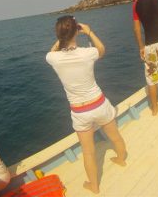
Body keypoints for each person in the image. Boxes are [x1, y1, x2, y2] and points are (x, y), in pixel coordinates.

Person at [46, 16, 127, 195]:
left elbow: (53, 50)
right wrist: (89, 31)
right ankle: (121, 159)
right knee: (115, 137)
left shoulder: (53, 58)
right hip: (99, 104)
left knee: (88, 152)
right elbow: (102, 49)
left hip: (80, 111)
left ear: (59, 35)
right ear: (76, 31)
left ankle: (94, 186)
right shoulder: (87, 53)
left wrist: (63, 36)